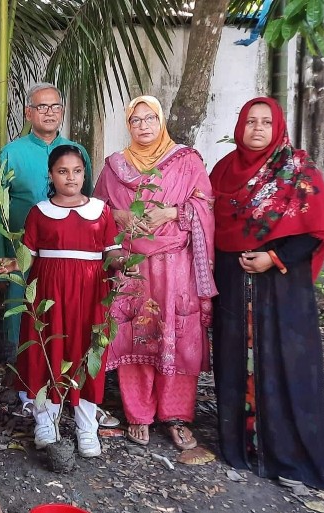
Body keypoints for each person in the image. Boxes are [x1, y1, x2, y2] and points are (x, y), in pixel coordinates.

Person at [210, 97, 324, 489]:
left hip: (281, 289)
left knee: (283, 363)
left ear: (277, 126)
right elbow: (208, 224)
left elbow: (316, 230)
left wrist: (273, 256)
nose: (258, 129)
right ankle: (240, 448)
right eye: (250, 121)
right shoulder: (223, 171)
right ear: (239, 126)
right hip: (231, 282)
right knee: (232, 360)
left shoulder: (297, 169)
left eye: (265, 122)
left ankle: (288, 454)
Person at [0, 83, 119, 427]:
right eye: (41, 107)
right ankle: (31, 398)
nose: (49, 112)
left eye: (55, 106)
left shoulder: (74, 151)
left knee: (74, 328)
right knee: (29, 324)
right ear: (28, 113)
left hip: (74, 260)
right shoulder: (9, 154)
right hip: (26, 258)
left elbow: (85, 206)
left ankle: (77, 399)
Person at [93, 95, 216, 451]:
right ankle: (138, 414)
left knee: (176, 335)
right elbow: (97, 210)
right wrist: (118, 216)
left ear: (161, 121)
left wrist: (172, 213)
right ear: (128, 125)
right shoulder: (115, 166)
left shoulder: (186, 160)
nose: (144, 126)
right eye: (136, 120)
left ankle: (176, 416)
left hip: (177, 266)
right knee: (137, 334)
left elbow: (205, 204)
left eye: (150, 118)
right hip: (133, 266)